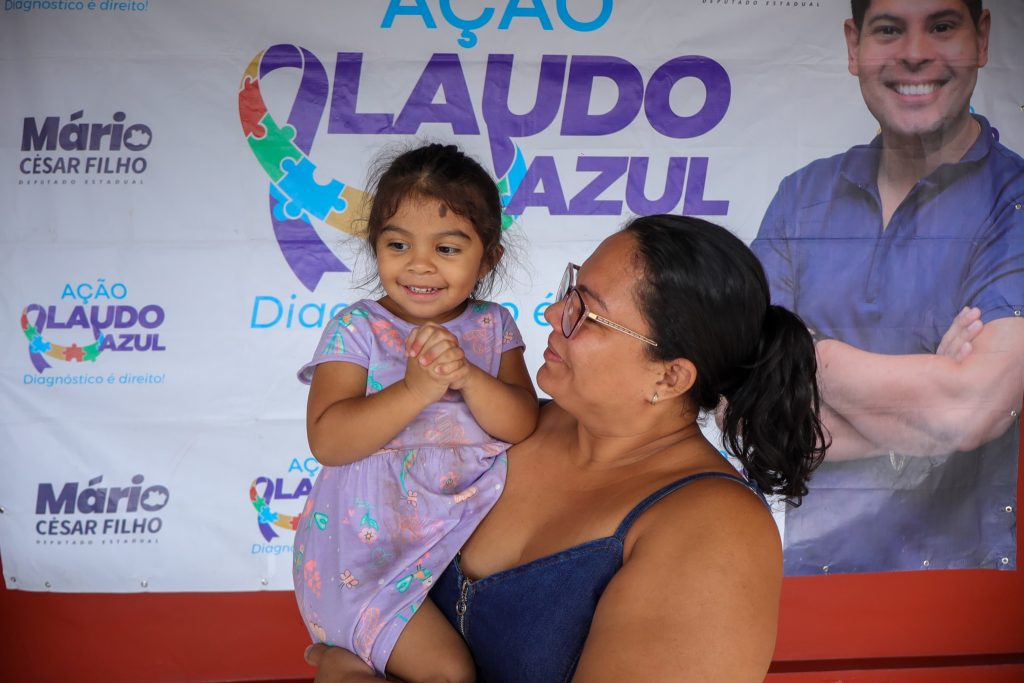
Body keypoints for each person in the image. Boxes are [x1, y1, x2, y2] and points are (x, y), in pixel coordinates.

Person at [305, 214, 828, 682]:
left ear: (669, 377)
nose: (555, 313)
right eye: (570, 289)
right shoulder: (502, 426)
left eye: (586, 312)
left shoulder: (716, 530)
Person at [751, 0, 1024, 574]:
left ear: (982, 38)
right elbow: (751, 411)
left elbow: (971, 408)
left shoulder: (1015, 203)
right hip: (809, 584)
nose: (916, 52)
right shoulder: (801, 199)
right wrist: (926, 416)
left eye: (942, 26)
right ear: (854, 46)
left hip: (967, 595)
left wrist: (803, 352)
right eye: (889, 29)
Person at [294, 142, 539, 681]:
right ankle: (339, 666)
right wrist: (415, 390)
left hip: (458, 534)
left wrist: (469, 377)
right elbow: (329, 441)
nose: (419, 264)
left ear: (489, 256)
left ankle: (345, 669)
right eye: (398, 244)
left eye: (447, 248)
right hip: (369, 552)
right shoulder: (357, 326)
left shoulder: (494, 326)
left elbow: (522, 422)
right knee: (448, 675)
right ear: (374, 247)